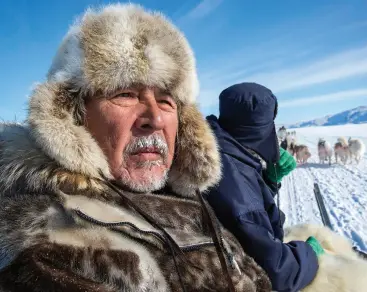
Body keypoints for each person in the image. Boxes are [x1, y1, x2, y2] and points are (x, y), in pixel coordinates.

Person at [0, 5, 273, 292]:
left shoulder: (182, 197)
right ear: (72, 115)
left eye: (167, 101)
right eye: (126, 94)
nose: (154, 119)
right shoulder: (48, 243)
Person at [205, 83, 321, 292]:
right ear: (261, 128)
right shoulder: (233, 176)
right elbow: (276, 270)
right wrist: (310, 254)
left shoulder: (220, 147)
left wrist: (268, 180)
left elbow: (244, 207)